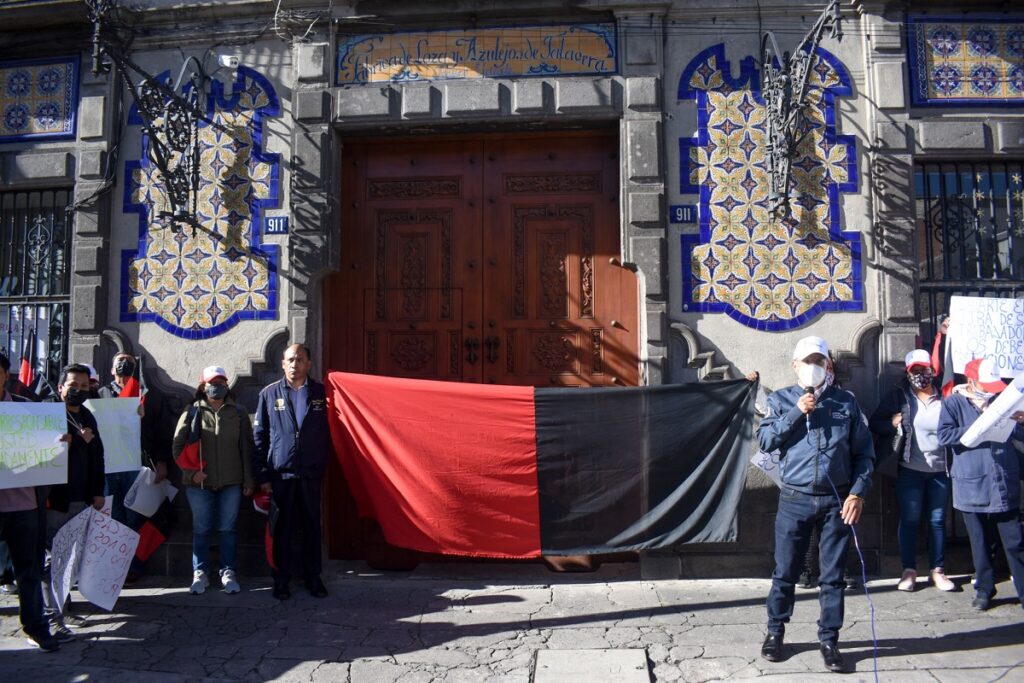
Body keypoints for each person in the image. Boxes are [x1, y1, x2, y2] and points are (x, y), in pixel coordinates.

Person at [757, 336, 875, 674]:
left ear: (828, 367)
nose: (814, 367)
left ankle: (829, 640)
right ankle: (775, 632)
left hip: (834, 501)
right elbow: (765, 440)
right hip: (794, 499)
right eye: (807, 361)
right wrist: (797, 412)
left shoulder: (846, 403)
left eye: (819, 361)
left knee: (833, 576)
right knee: (785, 572)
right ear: (795, 365)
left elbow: (864, 455)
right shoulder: (781, 400)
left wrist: (857, 493)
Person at [936, 357, 1024, 611]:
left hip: (1002, 481)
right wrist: (978, 426)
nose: (990, 389)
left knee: (1015, 541)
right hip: (971, 482)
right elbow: (944, 435)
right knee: (980, 543)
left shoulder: (1002, 400)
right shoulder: (954, 402)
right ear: (971, 381)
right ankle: (984, 589)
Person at [870, 349, 954, 593]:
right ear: (907, 373)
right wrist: (892, 423)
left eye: (924, 369)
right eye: (914, 370)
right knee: (910, 519)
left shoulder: (946, 395)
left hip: (941, 470)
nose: (920, 375)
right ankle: (909, 570)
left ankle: (938, 570)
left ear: (932, 370)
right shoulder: (899, 396)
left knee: (938, 521)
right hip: (910, 470)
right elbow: (876, 422)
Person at [252, 343, 332, 600]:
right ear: (282, 363)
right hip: (280, 475)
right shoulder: (269, 393)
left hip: (310, 473)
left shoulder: (322, 393)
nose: (294, 364)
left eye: (299, 360)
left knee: (312, 527)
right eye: (290, 360)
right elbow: (259, 437)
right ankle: (281, 579)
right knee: (282, 530)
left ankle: (313, 578)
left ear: (309, 364)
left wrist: (322, 461)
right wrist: (263, 476)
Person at [172, 366, 254, 595]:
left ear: (227, 385)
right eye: (212, 382)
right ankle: (200, 573)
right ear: (203, 386)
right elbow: (177, 448)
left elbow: (246, 448)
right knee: (201, 529)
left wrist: (249, 480)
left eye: (220, 382)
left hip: (232, 482)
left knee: (228, 530)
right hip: (199, 484)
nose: (216, 386)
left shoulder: (238, 413)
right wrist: (191, 474)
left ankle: (228, 572)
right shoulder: (191, 412)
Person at [42, 364, 105, 642]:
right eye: (72, 385)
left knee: (68, 560)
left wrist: (97, 491)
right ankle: (51, 618)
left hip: (82, 499)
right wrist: (57, 444)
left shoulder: (88, 416)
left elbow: (98, 457)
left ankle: (64, 608)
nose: (78, 390)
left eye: (83, 385)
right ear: (60, 388)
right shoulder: (49, 416)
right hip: (56, 500)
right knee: (51, 560)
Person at [0, 352, 59, 651]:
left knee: (29, 571)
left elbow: (49, 451)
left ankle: (37, 628)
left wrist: (60, 444)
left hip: (23, 506)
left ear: (5, 375)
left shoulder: (27, 409)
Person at [98, 352, 170, 581]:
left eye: (128, 361)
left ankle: (133, 567)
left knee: (136, 518)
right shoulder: (99, 395)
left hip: (139, 465)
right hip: (109, 467)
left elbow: (162, 432)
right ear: (111, 369)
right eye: (118, 360)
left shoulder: (150, 396)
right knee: (114, 517)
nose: (123, 364)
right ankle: (114, 567)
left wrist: (161, 461)